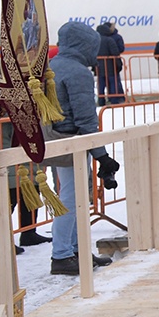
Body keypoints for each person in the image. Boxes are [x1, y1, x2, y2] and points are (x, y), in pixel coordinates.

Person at [47, 21, 120, 275]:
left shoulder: (53, 65)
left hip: (56, 139)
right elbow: (86, 121)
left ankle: (75, 250)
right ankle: (62, 255)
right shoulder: (77, 72)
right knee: (70, 198)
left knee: (74, 197)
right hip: (72, 143)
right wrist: (103, 156)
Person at [94, 21, 126, 105]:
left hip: (99, 67)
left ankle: (101, 100)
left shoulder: (95, 41)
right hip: (110, 66)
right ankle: (114, 100)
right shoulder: (109, 40)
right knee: (113, 83)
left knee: (101, 84)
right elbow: (115, 53)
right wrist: (119, 64)